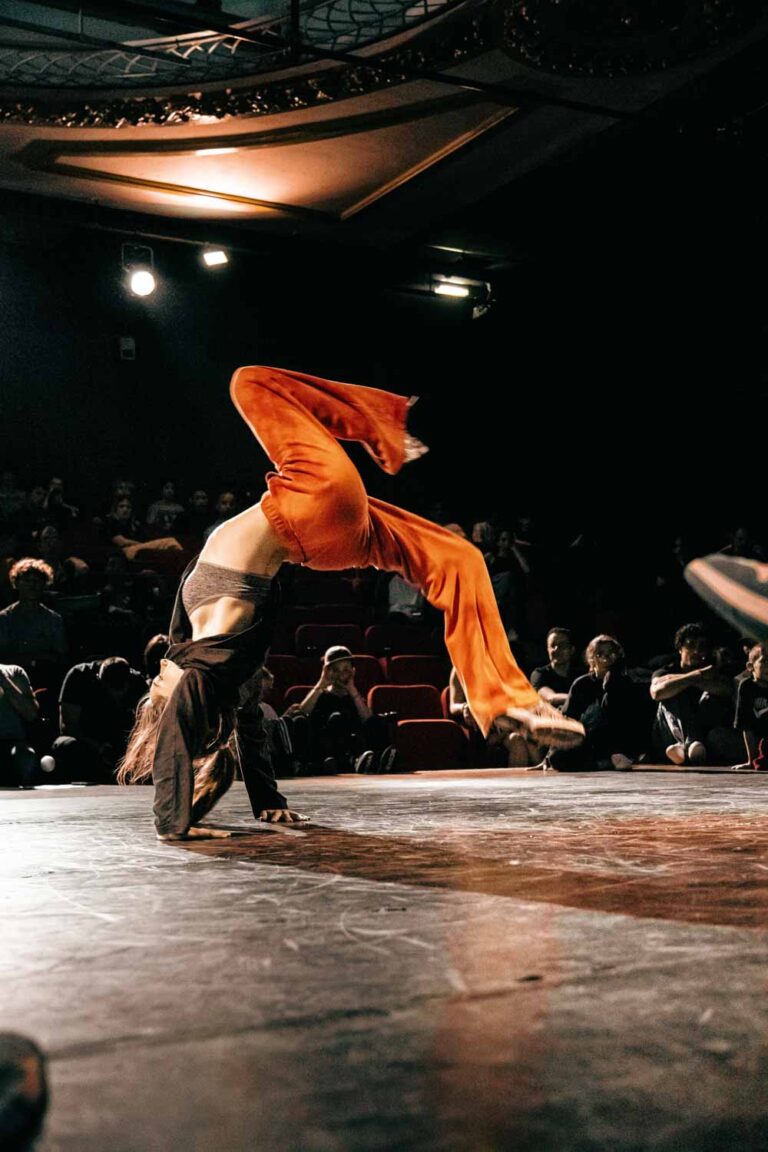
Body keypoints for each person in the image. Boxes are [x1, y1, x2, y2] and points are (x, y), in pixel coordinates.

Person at [119, 366, 584, 841]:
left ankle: (507, 699)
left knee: (458, 559)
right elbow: (181, 724)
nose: (155, 679)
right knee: (249, 382)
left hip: (327, 535)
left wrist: (268, 802)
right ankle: (386, 425)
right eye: (156, 691)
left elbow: (250, 731)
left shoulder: (207, 662)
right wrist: (172, 823)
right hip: (308, 505)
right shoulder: (205, 670)